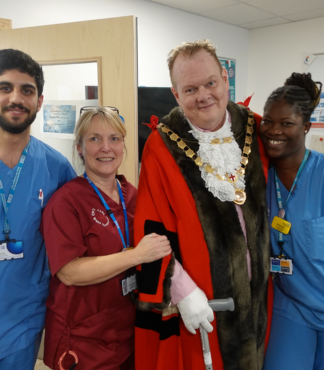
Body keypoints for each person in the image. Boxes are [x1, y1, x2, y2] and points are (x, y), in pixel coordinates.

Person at [134, 40, 273, 370]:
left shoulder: (255, 126)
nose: (204, 95)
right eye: (190, 88)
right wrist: (182, 291)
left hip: (260, 303)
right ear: (176, 94)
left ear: (225, 79)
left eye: (210, 82)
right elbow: (150, 227)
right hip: (203, 307)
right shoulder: (161, 145)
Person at [40, 106, 171, 370]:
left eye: (114, 138)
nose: (105, 148)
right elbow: (69, 272)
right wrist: (135, 255)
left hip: (126, 331)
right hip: (82, 339)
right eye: (94, 139)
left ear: (123, 145)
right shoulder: (66, 202)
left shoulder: (133, 195)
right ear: (80, 148)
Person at [0, 49, 76, 369]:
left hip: (24, 320)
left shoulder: (57, 167)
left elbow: (75, 242)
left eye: (27, 90)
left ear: (39, 102)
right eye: (5, 88)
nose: (16, 98)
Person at [260, 73, 324, 370]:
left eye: (286, 123)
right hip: (292, 306)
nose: (274, 130)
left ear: (307, 127)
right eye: (268, 121)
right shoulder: (258, 178)